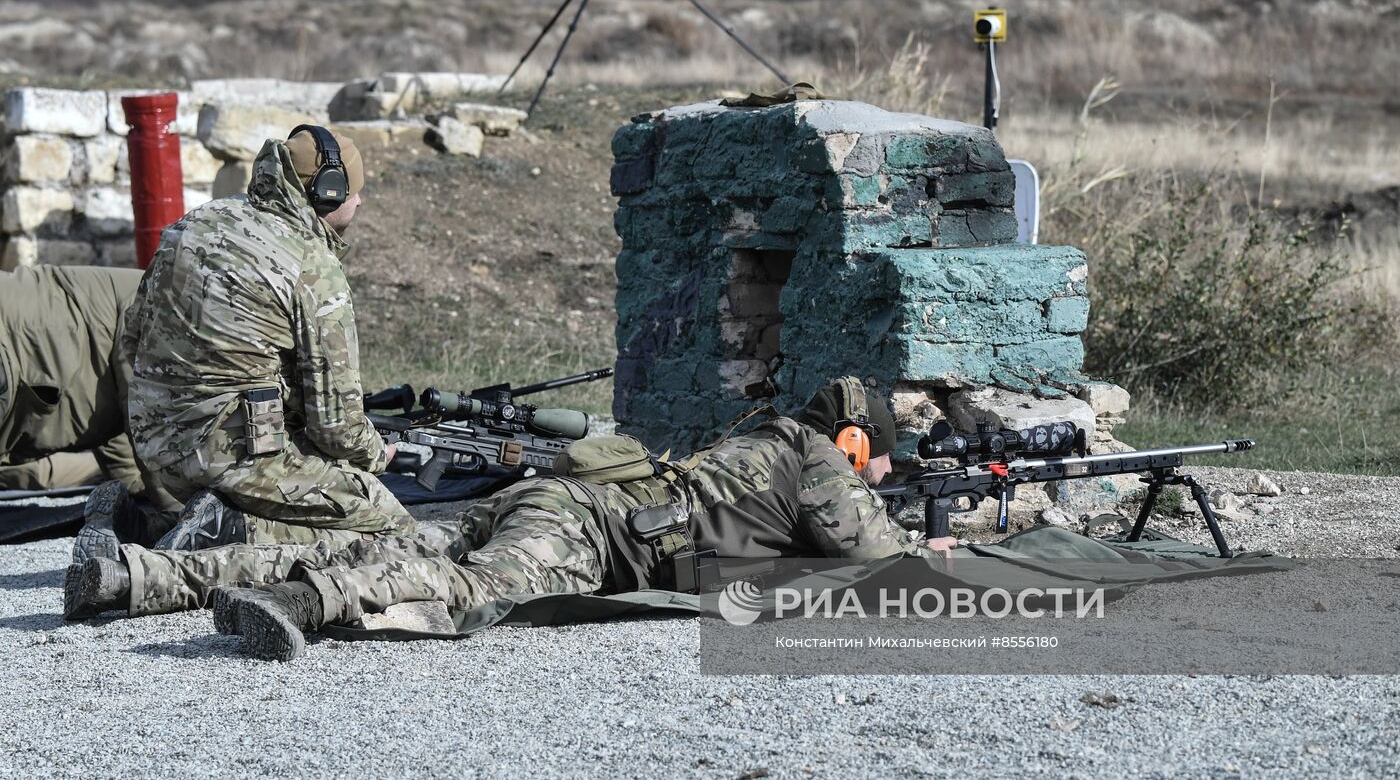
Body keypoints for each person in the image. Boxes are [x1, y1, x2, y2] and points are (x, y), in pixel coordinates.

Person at [65, 377, 956, 661]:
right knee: (468, 588)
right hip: (587, 531)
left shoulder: (764, 445)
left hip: (559, 500)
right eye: (875, 457)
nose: (876, 472)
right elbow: (879, 561)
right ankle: (310, 602)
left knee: (386, 538)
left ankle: (133, 577)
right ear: (852, 437)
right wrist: (935, 550)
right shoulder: (815, 457)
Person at [116, 125, 411, 554]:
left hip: (155, 447)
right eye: (354, 191)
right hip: (229, 456)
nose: (360, 200)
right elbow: (337, 429)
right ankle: (234, 532)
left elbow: (131, 337)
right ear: (326, 192)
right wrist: (377, 456)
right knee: (388, 527)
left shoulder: (195, 223)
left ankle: (142, 525)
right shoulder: (312, 265)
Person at [0, 265, 180, 553]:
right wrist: (183, 516)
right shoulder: (164, 301)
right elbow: (147, 413)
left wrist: (133, 486)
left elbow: (124, 416)